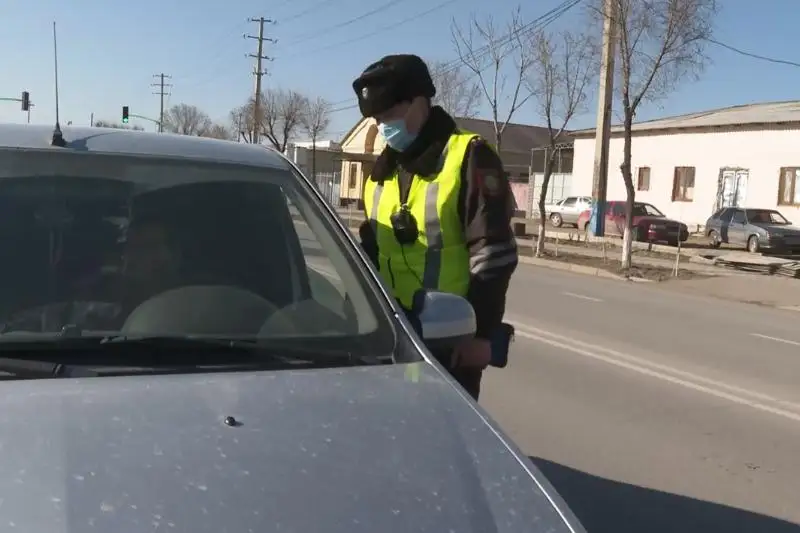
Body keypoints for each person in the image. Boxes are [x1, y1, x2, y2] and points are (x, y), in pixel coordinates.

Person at [352, 54, 518, 401]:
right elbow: (368, 253)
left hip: (449, 345)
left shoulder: (468, 156)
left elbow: (493, 255)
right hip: (390, 339)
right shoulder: (382, 173)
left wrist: (482, 336)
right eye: (376, 120)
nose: (382, 127)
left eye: (389, 115)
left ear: (419, 102)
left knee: (441, 445)